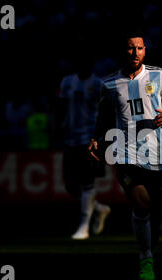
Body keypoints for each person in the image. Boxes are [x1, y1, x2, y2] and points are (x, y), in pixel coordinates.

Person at [89, 29, 162, 280]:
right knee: (141, 206)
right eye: (131, 48)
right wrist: (97, 138)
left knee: (156, 215)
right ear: (122, 50)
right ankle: (145, 259)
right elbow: (104, 116)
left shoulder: (159, 76)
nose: (135, 52)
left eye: (140, 48)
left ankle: (149, 247)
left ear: (145, 50)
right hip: (125, 154)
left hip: (157, 153)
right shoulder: (109, 83)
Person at [55, 47, 111, 240]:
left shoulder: (98, 84)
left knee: (87, 181)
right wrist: (58, 127)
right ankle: (100, 208)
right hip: (70, 139)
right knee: (71, 185)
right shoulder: (67, 82)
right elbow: (61, 106)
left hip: (89, 139)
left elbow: (107, 111)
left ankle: (84, 225)